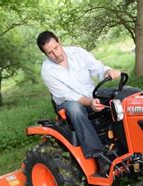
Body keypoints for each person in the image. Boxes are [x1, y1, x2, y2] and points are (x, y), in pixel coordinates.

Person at [37, 31, 121, 176]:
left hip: (91, 93)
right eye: (50, 53)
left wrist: (108, 71)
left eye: (56, 48)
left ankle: (126, 140)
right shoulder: (47, 71)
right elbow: (68, 95)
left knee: (126, 93)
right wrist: (90, 102)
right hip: (68, 103)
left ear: (59, 42)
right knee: (75, 109)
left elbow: (98, 68)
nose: (56, 54)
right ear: (45, 54)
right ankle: (99, 156)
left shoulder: (78, 53)